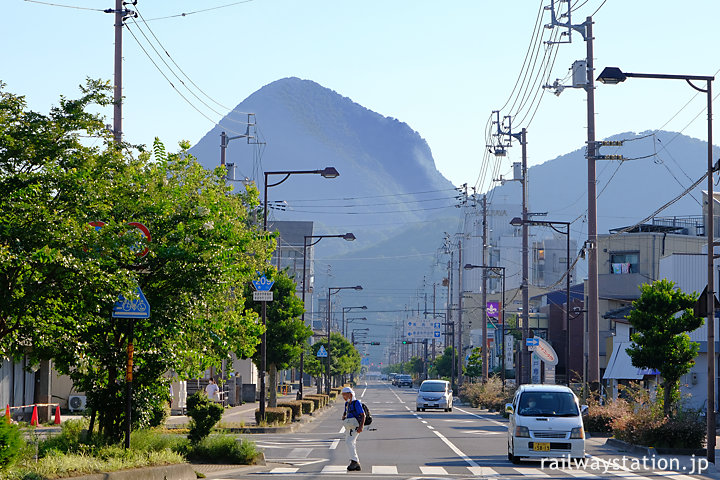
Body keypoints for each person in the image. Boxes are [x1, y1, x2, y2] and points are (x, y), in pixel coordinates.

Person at [341, 386, 365, 471]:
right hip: (349, 426)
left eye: (345, 395)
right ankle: (355, 462)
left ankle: (354, 461)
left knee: (349, 442)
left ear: (350, 395)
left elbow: (363, 415)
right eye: (342, 395)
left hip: (356, 426)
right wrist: (344, 416)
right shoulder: (347, 404)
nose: (343, 397)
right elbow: (346, 412)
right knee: (351, 442)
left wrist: (361, 426)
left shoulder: (356, 403)